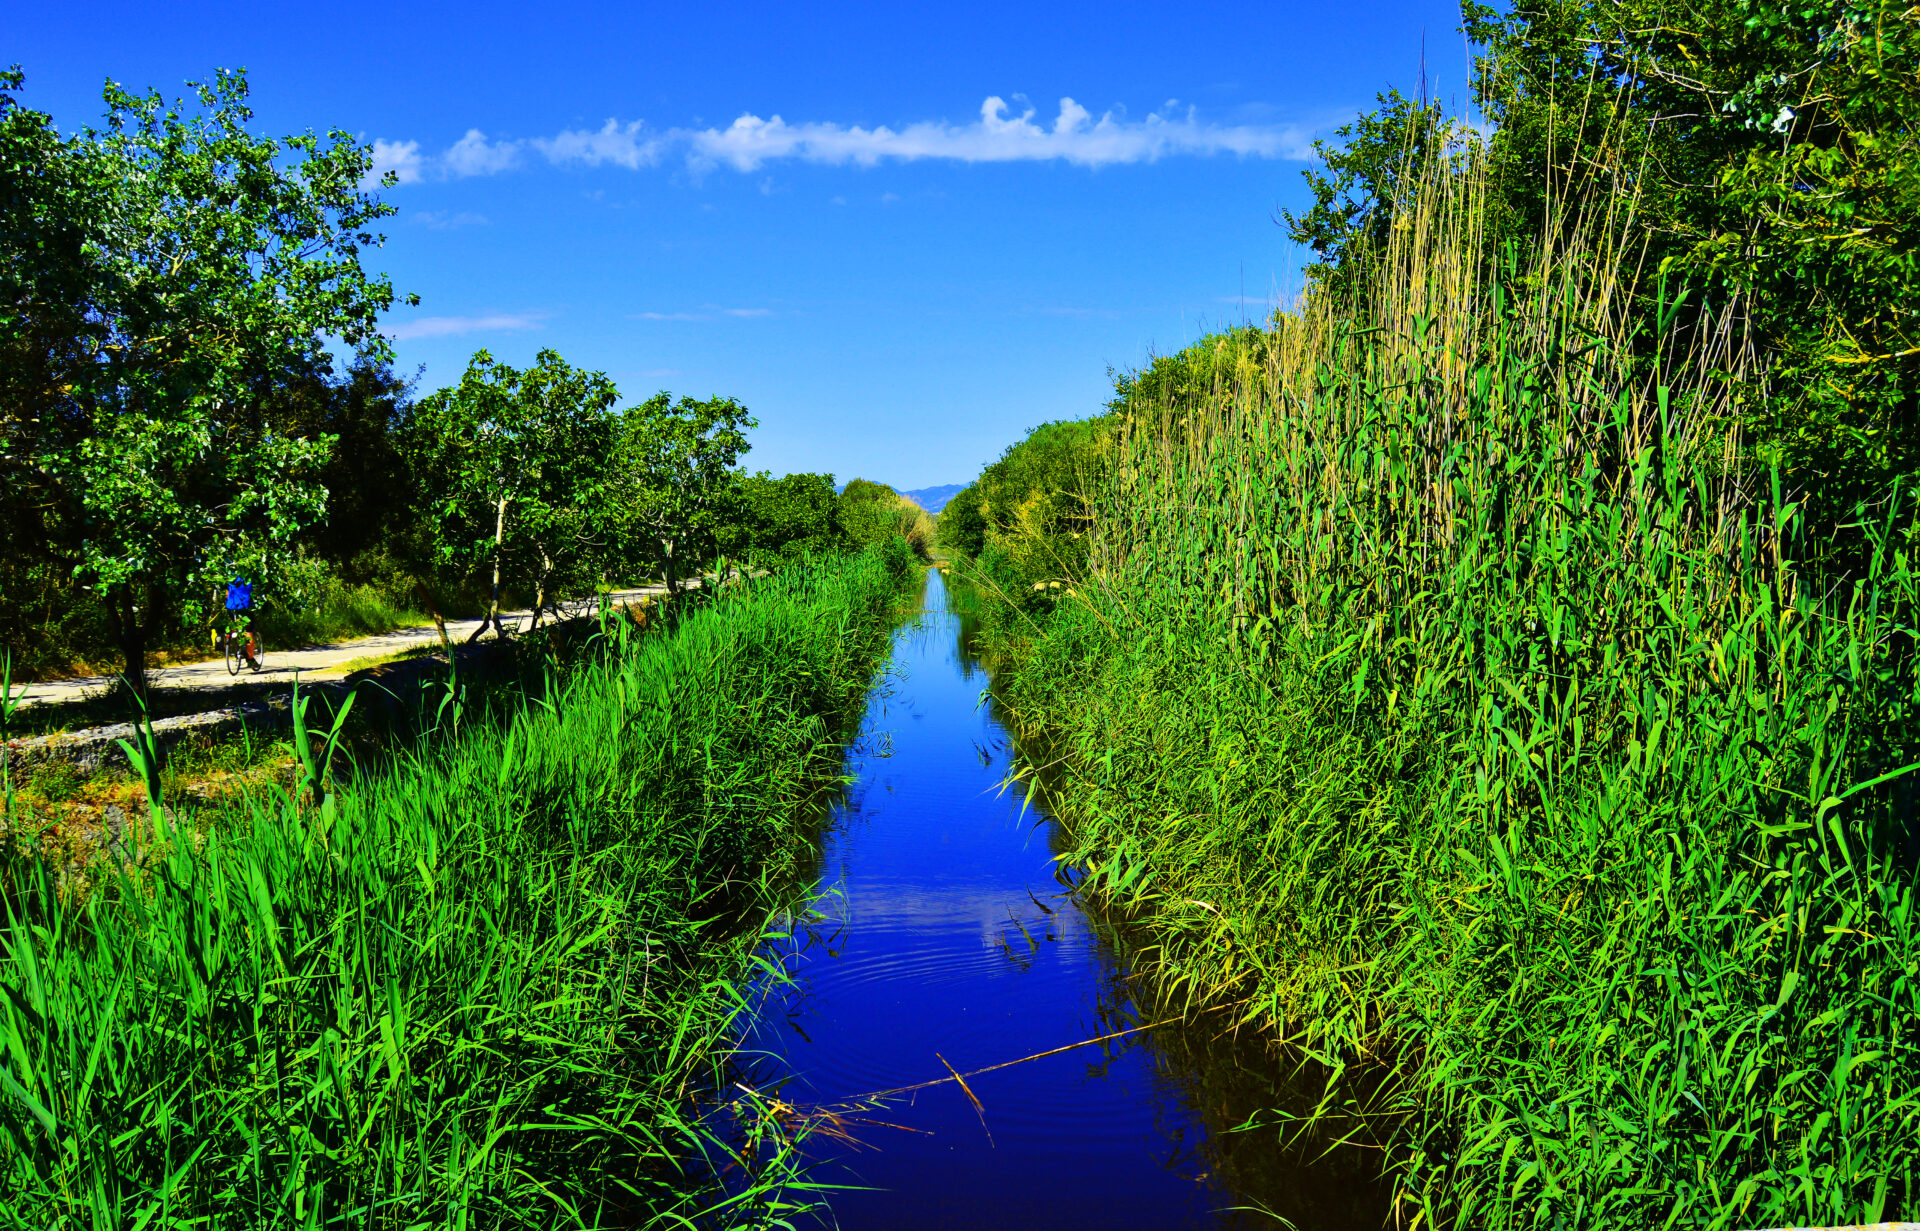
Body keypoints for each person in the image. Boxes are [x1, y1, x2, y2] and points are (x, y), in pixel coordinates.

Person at [220, 576, 260, 668]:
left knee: (235, 625)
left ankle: (235, 642)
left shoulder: (230, 575)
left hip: (231, 607)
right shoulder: (249, 576)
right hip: (245, 607)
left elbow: (227, 593)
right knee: (248, 631)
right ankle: (250, 659)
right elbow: (255, 590)